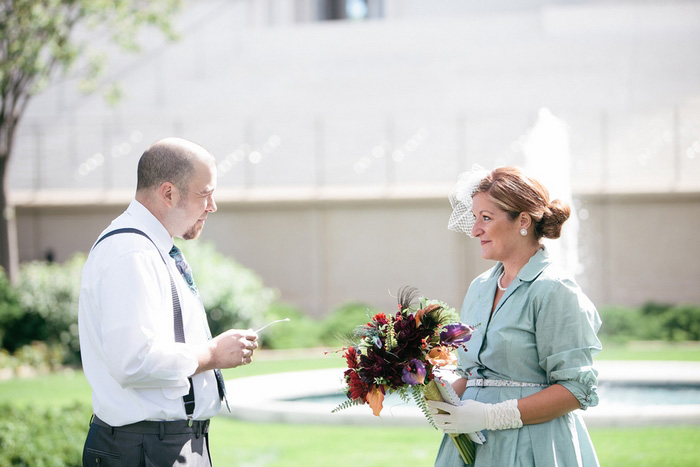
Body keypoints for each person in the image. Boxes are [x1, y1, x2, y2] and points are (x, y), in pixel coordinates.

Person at [79, 137, 259, 466]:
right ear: (168, 193)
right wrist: (214, 353)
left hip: (161, 444)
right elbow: (133, 361)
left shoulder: (149, 249)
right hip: (146, 449)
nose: (212, 206)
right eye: (205, 194)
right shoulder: (131, 254)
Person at [427, 166, 602, 466]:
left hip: (534, 448)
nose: (475, 230)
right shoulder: (479, 288)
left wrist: (492, 415)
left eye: (486, 218)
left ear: (522, 220)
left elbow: (577, 389)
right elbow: (474, 375)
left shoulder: (555, 290)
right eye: (475, 218)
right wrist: (435, 394)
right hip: (474, 449)